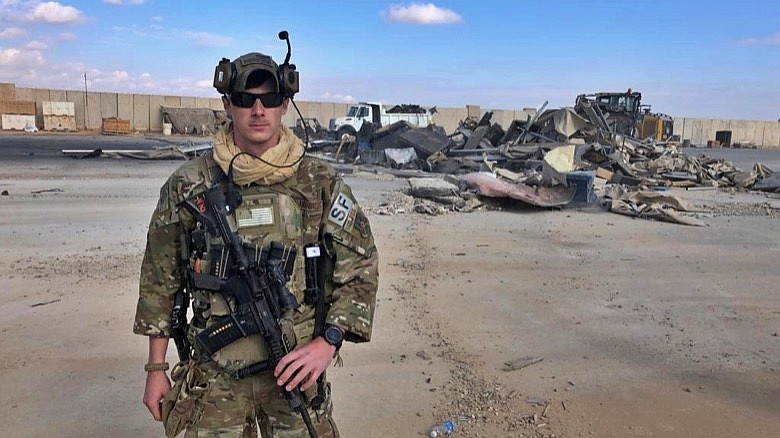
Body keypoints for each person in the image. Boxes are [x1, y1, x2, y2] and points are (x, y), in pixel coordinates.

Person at [133, 49, 379, 438]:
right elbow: (160, 281)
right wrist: (156, 369)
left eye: (270, 99)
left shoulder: (319, 183)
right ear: (227, 105)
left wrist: (328, 342)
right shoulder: (188, 185)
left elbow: (361, 267)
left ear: (285, 105)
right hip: (215, 377)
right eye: (246, 100)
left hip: (294, 370)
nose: (258, 110)